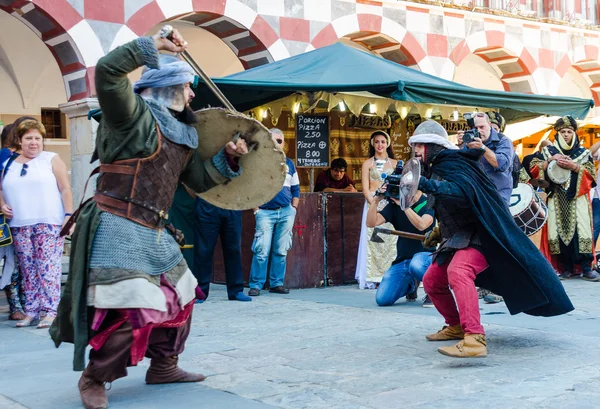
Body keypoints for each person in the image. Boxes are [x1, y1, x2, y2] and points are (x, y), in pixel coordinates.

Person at [49, 28, 249, 409]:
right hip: (116, 223)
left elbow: (200, 181)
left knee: (184, 293)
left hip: (156, 231)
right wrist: (153, 46)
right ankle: (95, 377)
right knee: (129, 304)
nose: (193, 94)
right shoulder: (130, 115)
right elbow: (107, 71)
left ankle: (164, 365)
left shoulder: (184, 134)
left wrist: (230, 154)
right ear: (169, 85)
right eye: (188, 86)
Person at [408, 120, 573, 358]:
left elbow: (461, 194)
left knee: (459, 271)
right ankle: (455, 325)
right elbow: (446, 206)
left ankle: (474, 338)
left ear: (432, 146)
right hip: (457, 236)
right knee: (433, 280)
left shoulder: (455, 163)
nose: (417, 151)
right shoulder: (437, 167)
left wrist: (423, 184)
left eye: (421, 146)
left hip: (482, 232)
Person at [0, 118, 73, 329]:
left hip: (49, 222)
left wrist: (68, 214)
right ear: (20, 141)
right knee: (27, 269)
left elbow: (65, 188)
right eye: (29, 138)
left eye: (38, 138)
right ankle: (31, 311)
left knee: (48, 267)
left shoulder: (51, 158)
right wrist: (3, 204)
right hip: (20, 224)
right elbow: (1, 189)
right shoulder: (9, 163)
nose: (34, 142)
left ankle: (51, 311)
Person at [527, 116, 599, 281]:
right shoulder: (548, 152)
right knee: (557, 232)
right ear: (557, 134)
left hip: (578, 199)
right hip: (556, 199)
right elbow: (531, 168)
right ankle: (564, 267)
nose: (566, 134)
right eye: (562, 132)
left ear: (574, 134)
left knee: (581, 231)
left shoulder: (583, 153)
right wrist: (548, 162)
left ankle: (586, 268)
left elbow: (591, 176)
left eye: (569, 131)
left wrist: (575, 166)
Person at [248, 128, 299, 296]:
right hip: (265, 212)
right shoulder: (258, 161)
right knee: (261, 250)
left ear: (284, 143)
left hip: (285, 212)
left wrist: (293, 209)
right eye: (273, 140)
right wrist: (256, 210)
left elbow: (296, 189)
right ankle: (256, 284)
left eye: (279, 141)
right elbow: (249, 188)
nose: (276, 144)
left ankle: (277, 283)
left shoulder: (290, 164)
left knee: (281, 250)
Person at [366, 185, 434, 307]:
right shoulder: (394, 205)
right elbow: (371, 222)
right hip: (403, 259)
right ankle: (410, 285)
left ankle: (434, 291)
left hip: (425, 257)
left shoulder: (427, 202)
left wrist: (404, 207)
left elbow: (422, 225)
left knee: (416, 265)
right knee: (383, 299)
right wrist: (376, 200)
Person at [355, 131, 398, 289]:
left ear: (387, 143)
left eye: (383, 141)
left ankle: (389, 275)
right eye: (377, 142)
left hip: (390, 204)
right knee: (373, 239)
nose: (380, 145)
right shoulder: (367, 164)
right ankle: (373, 276)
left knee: (390, 240)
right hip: (373, 202)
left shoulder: (395, 163)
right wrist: (373, 202)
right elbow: (365, 187)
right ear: (372, 144)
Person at [193, 197, 252, 302]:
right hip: (208, 203)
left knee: (234, 249)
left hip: (233, 203)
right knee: (203, 250)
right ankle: (200, 292)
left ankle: (236, 291)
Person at [457, 112, 515, 206]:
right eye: (476, 128)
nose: (479, 131)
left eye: (482, 127)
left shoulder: (503, 141)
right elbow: (461, 166)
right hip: (476, 197)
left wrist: (482, 148)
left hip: (498, 198)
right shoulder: (472, 142)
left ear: (489, 125)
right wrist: (461, 145)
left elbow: (500, 164)